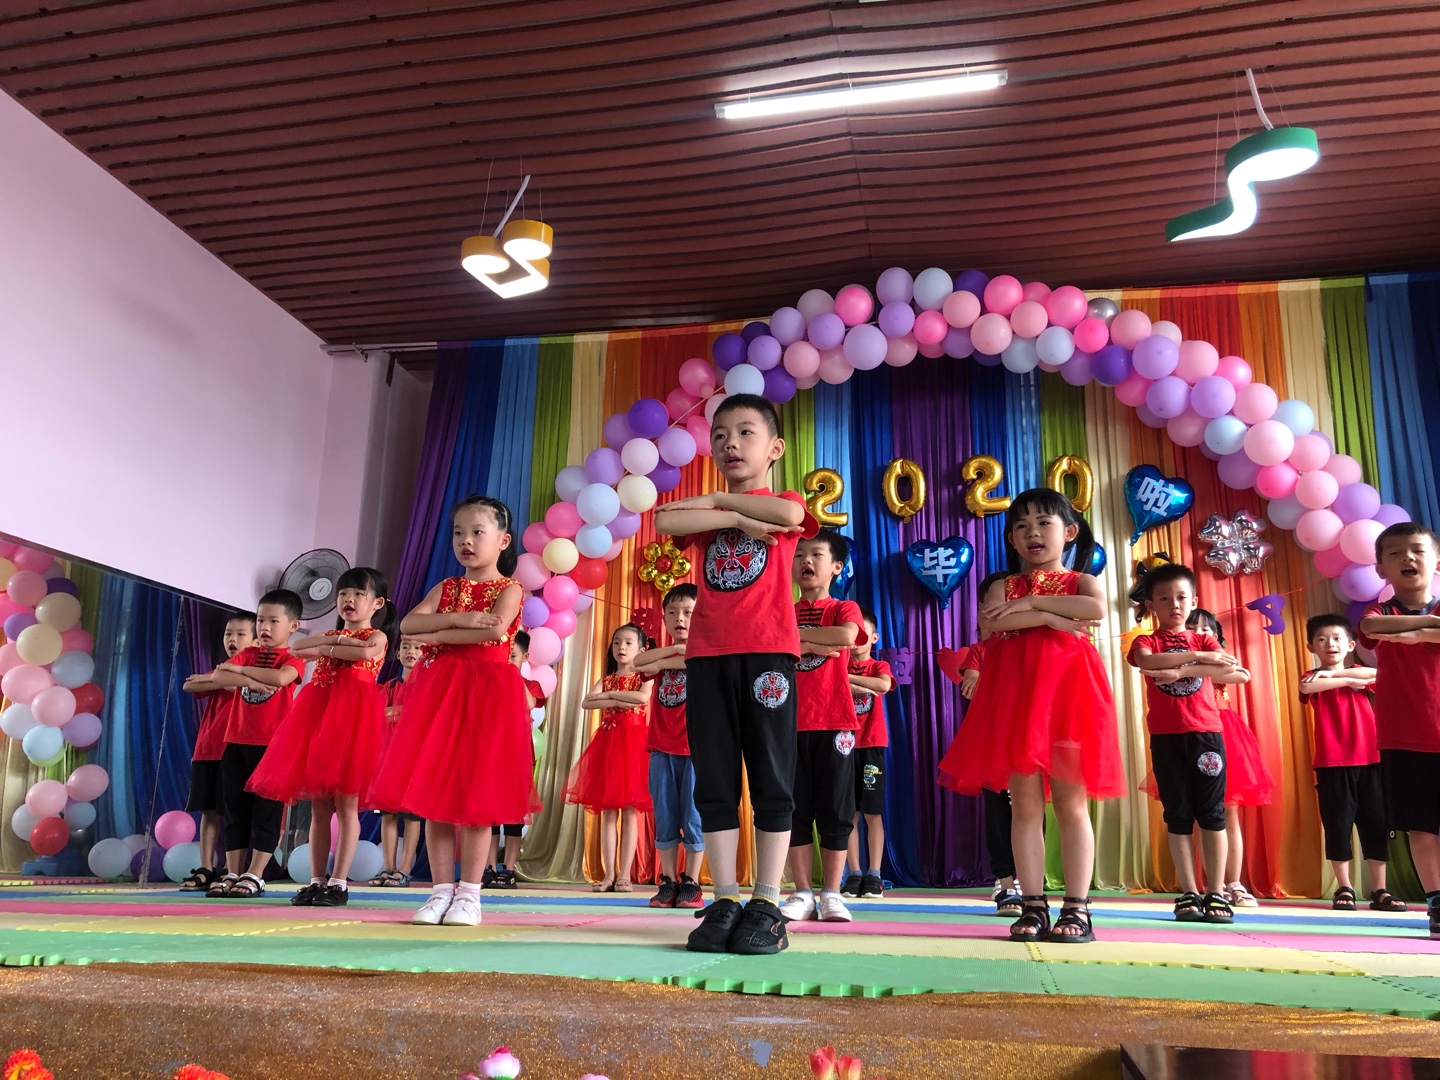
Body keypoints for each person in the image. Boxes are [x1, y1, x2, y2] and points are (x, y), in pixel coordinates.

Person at [654, 392, 818, 955]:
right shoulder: (711, 515)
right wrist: (735, 516)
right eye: (720, 435)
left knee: (772, 776)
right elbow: (665, 519)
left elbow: (791, 517)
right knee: (715, 780)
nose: (730, 443)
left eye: (746, 432)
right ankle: (725, 898)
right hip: (706, 657)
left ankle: (767, 901)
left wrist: (724, 503)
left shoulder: (784, 500)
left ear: (775, 448)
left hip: (768, 654)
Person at [938, 488, 1122, 944]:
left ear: (1069, 532)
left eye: (1043, 523)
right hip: (1018, 703)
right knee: (1023, 805)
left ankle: (1077, 907)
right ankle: (1033, 903)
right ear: (1012, 539)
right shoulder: (1003, 586)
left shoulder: (1082, 580)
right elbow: (993, 622)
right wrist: (1054, 619)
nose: (1032, 533)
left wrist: (1032, 606)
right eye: (1021, 526)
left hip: (1068, 701)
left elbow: (1095, 609)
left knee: (1071, 804)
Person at [369, 495, 541, 927]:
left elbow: (495, 632)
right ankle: (440, 890)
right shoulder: (446, 588)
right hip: (440, 696)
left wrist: (438, 633)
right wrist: (461, 620)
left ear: (503, 541)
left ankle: (470, 893)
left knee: (477, 797)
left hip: (486, 696)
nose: (466, 541)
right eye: (459, 533)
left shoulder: (510, 588)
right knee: (436, 795)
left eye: (477, 532)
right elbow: (409, 624)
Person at [248, 568, 392, 907]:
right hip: (319, 717)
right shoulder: (330, 633)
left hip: (352, 723)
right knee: (319, 808)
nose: (348, 600)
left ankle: (338, 883)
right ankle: (316, 880)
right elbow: (298, 647)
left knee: (347, 806)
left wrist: (329, 646)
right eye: (343, 594)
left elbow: (364, 653)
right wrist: (334, 642)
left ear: (377, 603)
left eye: (358, 594)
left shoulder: (378, 636)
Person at [1128, 564, 1248, 925]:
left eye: (1181, 597)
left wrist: (1184, 670)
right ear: (1151, 605)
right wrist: (1203, 660)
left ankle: (1216, 891)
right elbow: (1149, 662)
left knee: (1212, 815)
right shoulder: (1145, 641)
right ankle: (1189, 892)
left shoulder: (1205, 640)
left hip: (1206, 734)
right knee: (1177, 816)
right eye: (1164, 599)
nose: (1174, 605)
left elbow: (1230, 670)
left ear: (1194, 601)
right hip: (1166, 738)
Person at [1357, 521, 1440, 937]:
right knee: (1421, 826)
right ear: (1381, 569)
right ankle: (1437, 903)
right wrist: (1426, 631)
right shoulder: (1380, 613)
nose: (1408, 558)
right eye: (1395, 553)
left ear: (1436, 561)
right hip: (1404, 737)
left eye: (1418, 550)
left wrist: (1420, 631)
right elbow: (1371, 630)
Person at [779, 530, 866, 924]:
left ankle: (831, 892)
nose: (806, 561)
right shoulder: (782, 608)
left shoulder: (844, 607)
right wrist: (816, 644)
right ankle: (801, 891)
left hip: (834, 721)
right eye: (799, 554)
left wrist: (798, 640)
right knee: (793, 808)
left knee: (836, 808)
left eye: (816, 554)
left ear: (836, 566)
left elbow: (846, 636)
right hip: (786, 724)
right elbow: (771, 642)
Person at [205, 589, 307, 898]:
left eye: (273, 621)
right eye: (261, 620)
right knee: (235, 811)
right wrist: (247, 679)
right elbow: (218, 677)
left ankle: (256, 873)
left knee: (267, 812)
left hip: (272, 746)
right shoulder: (248, 654)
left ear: (293, 625)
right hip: (235, 741)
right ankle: (233, 871)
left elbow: (281, 678)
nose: (264, 627)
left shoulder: (293, 657)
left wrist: (238, 671)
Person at [1301, 614, 1402, 912]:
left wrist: (1340, 676)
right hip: (1331, 763)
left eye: (1336, 638)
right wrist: (1344, 680)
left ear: (1350, 645)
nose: (1329, 644)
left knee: (1376, 825)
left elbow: (1379, 674)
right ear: (1311, 647)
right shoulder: (1311, 676)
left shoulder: (1360, 671)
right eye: (1321, 639)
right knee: (1338, 826)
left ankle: (1379, 889)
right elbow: (1306, 688)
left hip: (1371, 760)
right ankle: (1344, 887)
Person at [1187, 607, 1273, 908]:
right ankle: (1214, 885)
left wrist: (1198, 664)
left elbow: (1240, 675)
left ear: (1216, 636)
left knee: (1229, 812)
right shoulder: (1178, 656)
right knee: (1203, 815)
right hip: (1193, 732)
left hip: (1226, 733)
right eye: (1192, 628)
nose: (1199, 633)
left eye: (1206, 629)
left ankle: (1234, 883)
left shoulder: (1219, 657)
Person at [564, 623, 654, 892]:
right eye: (616, 642)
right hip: (608, 744)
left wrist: (610, 695)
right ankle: (609, 875)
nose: (621, 647)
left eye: (628, 642)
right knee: (608, 813)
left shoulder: (644, 676)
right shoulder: (606, 678)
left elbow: (642, 698)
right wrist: (616, 699)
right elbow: (586, 702)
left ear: (641, 649)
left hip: (633, 746)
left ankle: (625, 875)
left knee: (630, 812)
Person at [954, 570, 1023, 918]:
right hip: (992, 744)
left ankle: (1029, 877)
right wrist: (982, 678)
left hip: (1026, 741)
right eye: (994, 601)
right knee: (997, 813)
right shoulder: (981, 650)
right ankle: (1005, 881)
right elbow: (971, 685)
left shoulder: (1031, 646)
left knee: (1029, 811)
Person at [635, 583, 705, 909]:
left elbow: (694, 662)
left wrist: (666, 661)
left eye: (689, 612)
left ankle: (691, 881)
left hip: (695, 749)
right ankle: (668, 880)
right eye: (673, 613)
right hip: (661, 747)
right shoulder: (664, 651)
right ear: (663, 618)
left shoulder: (707, 650)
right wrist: (670, 655)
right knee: (664, 816)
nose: (680, 618)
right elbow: (640, 662)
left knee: (693, 816)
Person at [178, 612, 255, 892]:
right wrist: (217, 678)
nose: (232, 639)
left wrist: (212, 679)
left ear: (256, 640)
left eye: (241, 634)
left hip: (235, 749)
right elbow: (188, 684)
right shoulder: (221, 669)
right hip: (207, 749)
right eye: (228, 634)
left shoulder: (255, 671)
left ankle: (233, 870)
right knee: (209, 811)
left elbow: (241, 686)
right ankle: (206, 868)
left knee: (235, 812)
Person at [484, 629, 547, 890]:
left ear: (525, 658)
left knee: (513, 815)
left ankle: (508, 869)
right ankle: (488, 868)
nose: (507, 660)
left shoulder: (529, 685)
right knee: (488, 813)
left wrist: (512, 675)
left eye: (513, 655)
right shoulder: (488, 681)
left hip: (518, 756)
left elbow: (529, 704)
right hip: (491, 753)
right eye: (504, 655)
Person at [842, 608, 894, 900]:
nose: (857, 638)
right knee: (849, 813)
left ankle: (874, 874)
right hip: (844, 744)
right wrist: (850, 682)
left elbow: (883, 684)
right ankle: (854, 873)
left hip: (872, 744)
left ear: (874, 638)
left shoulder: (878, 665)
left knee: (873, 813)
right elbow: (833, 684)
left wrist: (849, 681)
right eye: (853, 632)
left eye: (864, 633)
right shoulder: (839, 662)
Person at [372, 636, 427, 887]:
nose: (410, 651)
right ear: (397, 654)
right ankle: (388, 867)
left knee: (412, 816)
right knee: (388, 814)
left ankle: (405, 869)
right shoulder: (389, 687)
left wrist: (396, 713)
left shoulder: (428, 686)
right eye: (405, 647)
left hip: (415, 759)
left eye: (417, 647)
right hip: (387, 758)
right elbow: (376, 715)